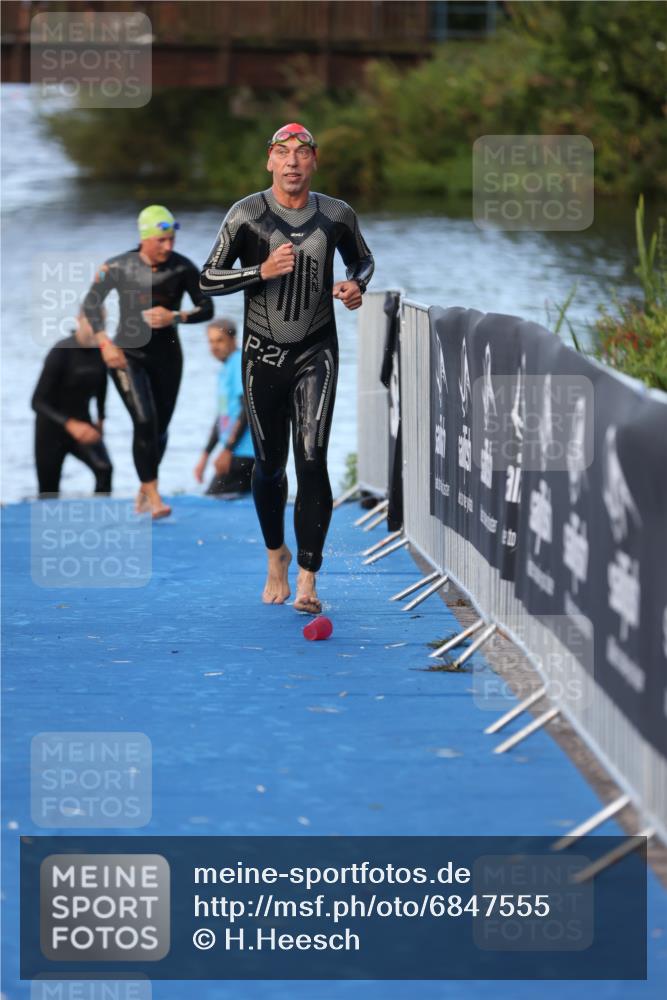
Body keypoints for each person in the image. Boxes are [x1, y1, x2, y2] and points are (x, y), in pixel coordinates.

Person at [200, 123, 374, 612]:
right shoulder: (247, 215)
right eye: (283, 152)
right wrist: (260, 271)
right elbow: (207, 279)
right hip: (263, 357)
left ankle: (308, 578)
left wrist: (354, 285)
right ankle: (277, 553)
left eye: (302, 152)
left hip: (316, 352)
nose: (293, 161)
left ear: (314, 161)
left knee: (313, 459)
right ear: (269, 162)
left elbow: (362, 260)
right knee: (271, 465)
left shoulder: (337, 214)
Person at [82, 205, 214, 518]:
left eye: (172, 239)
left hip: (168, 358)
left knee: (159, 428)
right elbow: (91, 304)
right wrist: (104, 343)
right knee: (144, 420)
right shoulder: (117, 266)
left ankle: (144, 486)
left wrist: (176, 316)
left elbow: (207, 307)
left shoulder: (182, 269)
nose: (168, 247)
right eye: (162, 240)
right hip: (126, 355)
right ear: (145, 238)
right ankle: (154, 495)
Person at [32, 312, 112, 497]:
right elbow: (37, 401)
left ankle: (101, 518)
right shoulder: (61, 351)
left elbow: (102, 386)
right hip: (51, 430)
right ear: (79, 319)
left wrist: (101, 419)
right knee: (49, 492)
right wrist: (70, 424)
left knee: (105, 469)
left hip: (84, 425)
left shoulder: (101, 352)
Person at [193, 318, 255, 496]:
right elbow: (222, 417)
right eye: (211, 341)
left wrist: (228, 450)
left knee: (213, 501)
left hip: (244, 453)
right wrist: (206, 455)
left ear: (233, 340)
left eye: (219, 340)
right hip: (235, 452)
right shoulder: (226, 368)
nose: (214, 346)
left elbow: (248, 409)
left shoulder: (238, 362)